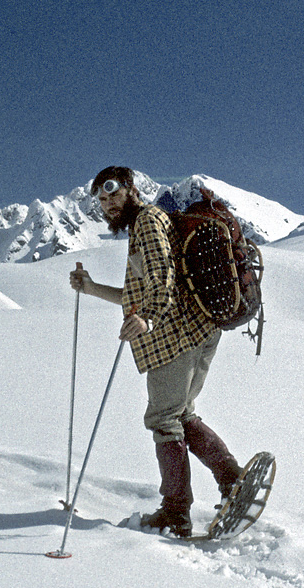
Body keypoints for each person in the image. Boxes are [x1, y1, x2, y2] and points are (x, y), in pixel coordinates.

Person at [69, 166, 242, 537]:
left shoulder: (147, 221)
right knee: (180, 414)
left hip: (173, 338)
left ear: (131, 189)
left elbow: (161, 277)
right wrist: (93, 288)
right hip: (198, 330)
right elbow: (140, 292)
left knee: (164, 419)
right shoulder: (149, 223)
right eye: (101, 199)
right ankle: (232, 480)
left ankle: (176, 512)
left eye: (113, 194)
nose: (108, 204)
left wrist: (147, 318)